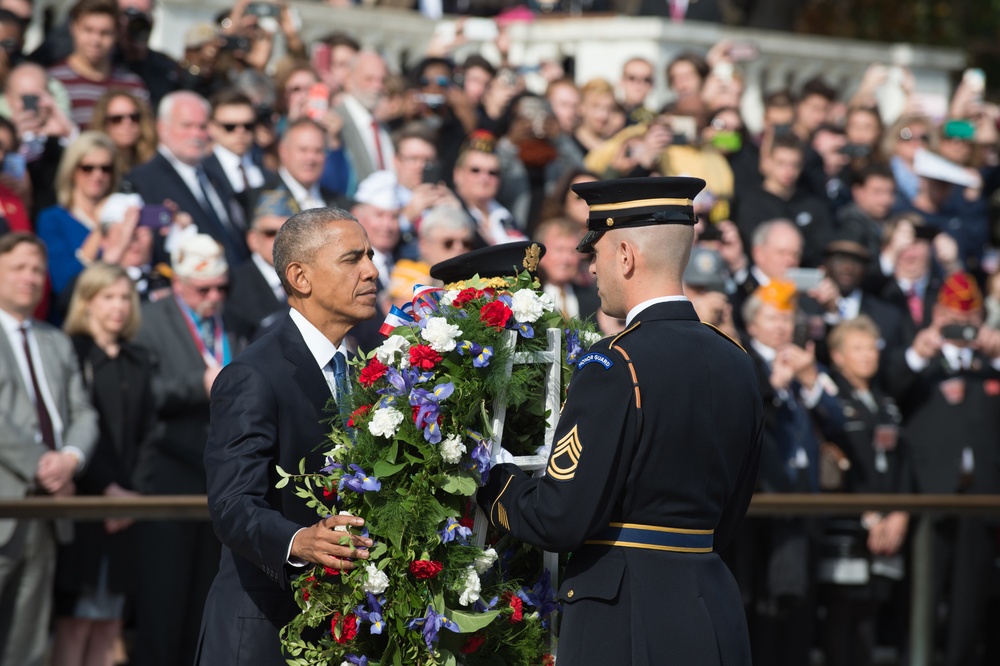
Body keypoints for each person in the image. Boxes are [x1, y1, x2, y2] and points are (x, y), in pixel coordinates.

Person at [477, 176, 763, 665]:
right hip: (711, 606)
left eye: (597, 255)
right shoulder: (737, 359)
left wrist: (488, 476)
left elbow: (559, 517)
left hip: (624, 614)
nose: (592, 269)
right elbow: (731, 513)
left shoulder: (613, 362)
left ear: (626, 256)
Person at [196, 207, 376, 665]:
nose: (372, 271)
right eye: (352, 259)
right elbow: (232, 505)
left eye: (371, 256)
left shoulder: (363, 372)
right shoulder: (252, 374)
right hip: (264, 630)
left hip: (339, 630)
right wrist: (300, 540)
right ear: (300, 277)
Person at [132, 234, 242, 666]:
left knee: (204, 592)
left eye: (221, 288)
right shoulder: (149, 320)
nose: (214, 297)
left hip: (221, 475)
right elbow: (138, 394)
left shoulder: (228, 321)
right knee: (164, 596)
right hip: (169, 471)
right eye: (204, 289)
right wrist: (194, 387)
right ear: (178, 283)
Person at [885, 272, 1000, 666]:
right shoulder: (921, 360)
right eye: (953, 317)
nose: (961, 327)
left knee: (970, 599)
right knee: (923, 595)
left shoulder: (991, 363)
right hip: (929, 491)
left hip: (981, 496)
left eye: (969, 319)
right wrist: (921, 350)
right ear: (937, 313)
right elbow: (889, 386)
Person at [0, 232, 98, 666]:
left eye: (38, 269)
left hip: (48, 506)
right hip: (7, 499)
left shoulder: (54, 340)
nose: (31, 278)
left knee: (29, 635)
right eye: (19, 268)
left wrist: (71, 459)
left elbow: (84, 412)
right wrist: (40, 462)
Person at [51, 262, 156, 666]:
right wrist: (108, 489)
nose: (119, 307)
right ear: (87, 303)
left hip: (127, 506)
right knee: (76, 621)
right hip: (87, 503)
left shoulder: (138, 357)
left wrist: (133, 494)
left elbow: (150, 432)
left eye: (125, 298)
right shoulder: (73, 352)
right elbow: (73, 426)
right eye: (107, 297)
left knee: (110, 623)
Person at [124, 90, 249, 267]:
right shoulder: (142, 181)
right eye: (187, 126)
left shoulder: (214, 175)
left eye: (202, 127)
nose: (196, 134)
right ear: (162, 127)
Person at [35, 131, 121, 305]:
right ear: (72, 170)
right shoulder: (52, 219)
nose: (98, 175)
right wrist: (99, 230)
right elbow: (62, 283)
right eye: (88, 168)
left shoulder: (122, 216)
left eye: (106, 168)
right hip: (73, 320)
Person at [47, 0, 149, 129]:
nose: (95, 40)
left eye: (105, 33)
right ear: (73, 28)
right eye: (88, 30)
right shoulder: (52, 82)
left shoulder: (133, 86)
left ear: (117, 34)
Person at [227, 190, 293, 341]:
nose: (280, 240)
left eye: (288, 232)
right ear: (253, 240)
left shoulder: (310, 275)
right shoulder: (234, 285)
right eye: (270, 233)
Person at [90, 87, 157, 173]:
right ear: (103, 123)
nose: (127, 123)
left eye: (134, 117)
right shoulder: (95, 167)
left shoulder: (154, 161)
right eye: (117, 119)